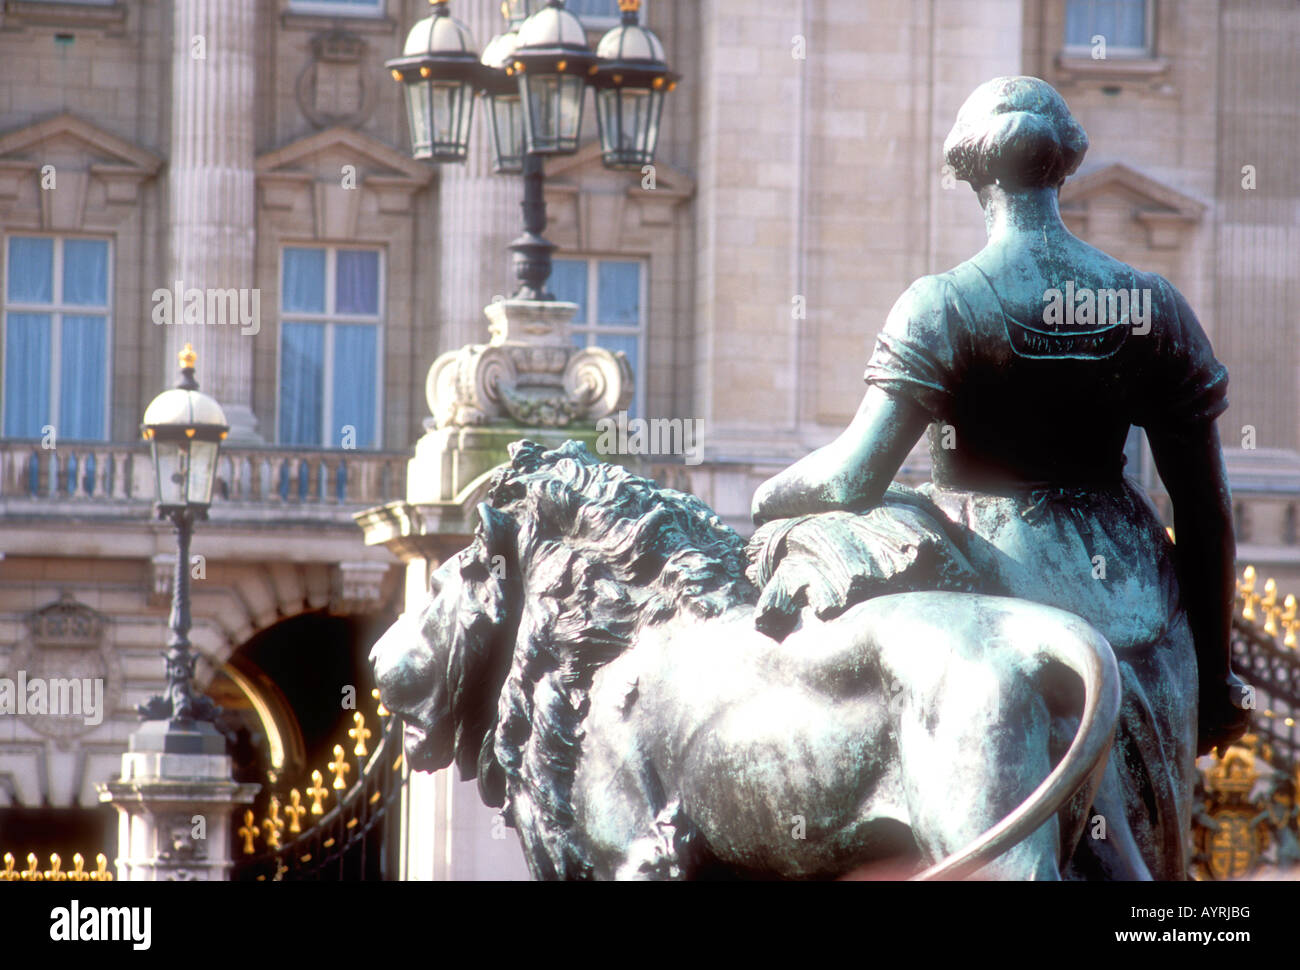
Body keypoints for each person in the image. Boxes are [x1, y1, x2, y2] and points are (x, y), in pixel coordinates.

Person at [750, 76, 1250, 879]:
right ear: (1065, 166)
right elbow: (1207, 509)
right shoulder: (1150, 303)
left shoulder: (943, 305)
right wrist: (1220, 673)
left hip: (990, 592)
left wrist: (767, 498)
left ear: (971, 173)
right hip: (1137, 601)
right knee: (1149, 869)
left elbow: (854, 476)